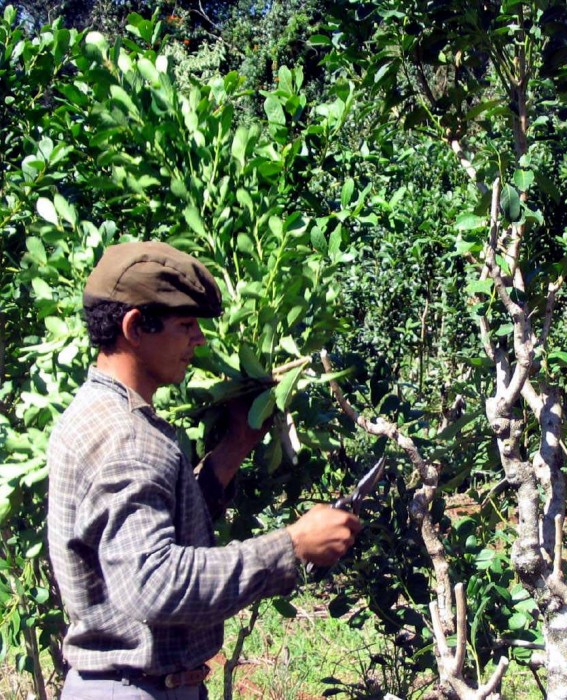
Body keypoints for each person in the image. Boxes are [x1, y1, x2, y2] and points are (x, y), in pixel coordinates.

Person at [47, 240, 361, 699]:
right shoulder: (127, 438)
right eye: (186, 325)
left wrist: (234, 446)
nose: (200, 340)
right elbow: (154, 583)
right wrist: (291, 545)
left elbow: (151, 529)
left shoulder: (96, 412)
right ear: (136, 327)